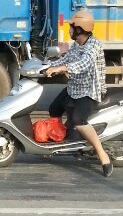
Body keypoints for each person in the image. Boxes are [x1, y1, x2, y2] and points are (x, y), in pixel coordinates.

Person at [45, 10, 113, 177]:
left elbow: (84, 64)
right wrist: (47, 65)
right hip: (75, 87)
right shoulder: (76, 45)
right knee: (53, 109)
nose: (70, 30)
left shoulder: (94, 45)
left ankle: (102, 154)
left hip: (90, 90)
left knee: (79, 120)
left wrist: (62, 68)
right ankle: (61, 140)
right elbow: (67, 59)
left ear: (80, 29)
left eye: (72, 27)